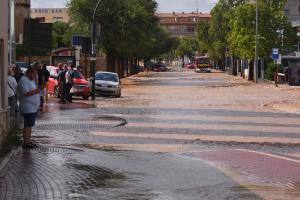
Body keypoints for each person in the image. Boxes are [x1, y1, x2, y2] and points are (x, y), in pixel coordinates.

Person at [18, 66, 40, 148]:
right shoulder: (23, 80)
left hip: (32, 107)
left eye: (35, 75)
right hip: (27, 107)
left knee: (30, 125)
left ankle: (29, 141)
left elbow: (33, 89)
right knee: (27, 125)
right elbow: (25, 93)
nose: (34, 76)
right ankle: (26, 143)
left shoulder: (30, 80)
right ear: (29, 73)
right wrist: (36, 91)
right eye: (33, 74)